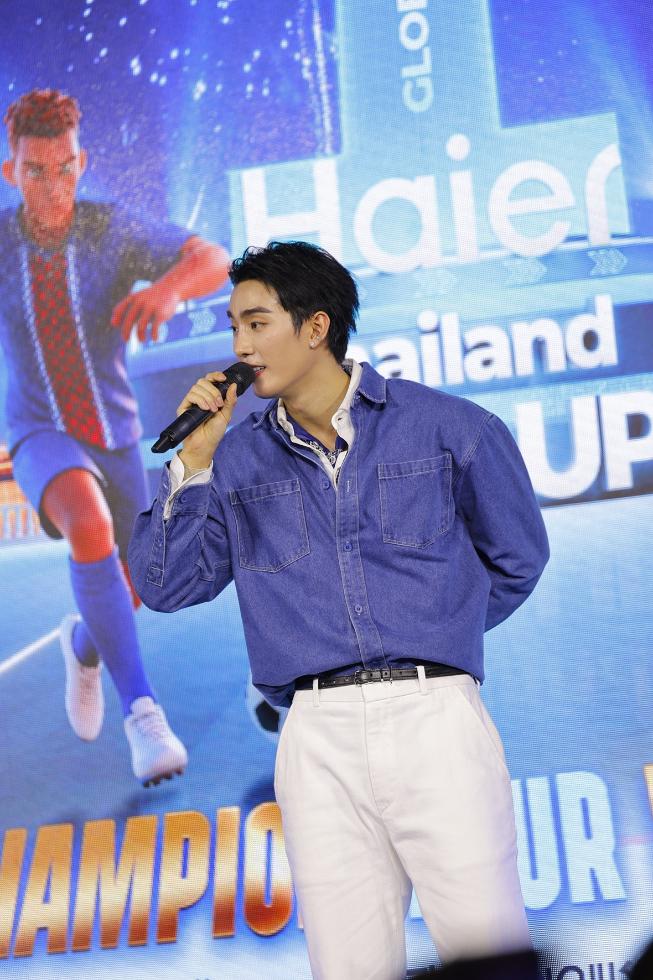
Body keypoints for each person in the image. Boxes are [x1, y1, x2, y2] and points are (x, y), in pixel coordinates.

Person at [128, 240, 550, 978]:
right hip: (313, 733)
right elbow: (165, 585)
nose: (239, 347)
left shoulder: (450, 427)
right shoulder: (231, 457)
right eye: (233, 327)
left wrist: (432, 629)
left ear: (315, 327)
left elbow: (518, 557)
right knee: (348, 964)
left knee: (488, 954)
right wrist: (192, 464)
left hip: (436, 717)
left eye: (256, 323)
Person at [0, 89, 229, 785]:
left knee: (145, 581)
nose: (52, 186)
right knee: (89, 522)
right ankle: (143, 718)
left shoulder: (110, 229)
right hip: (38, 431)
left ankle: (83, 643)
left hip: (114, 432)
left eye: (64, 168)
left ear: (82, 162)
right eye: (35, 171)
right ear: (11, 173)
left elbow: (212, 257)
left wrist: (168, 290)